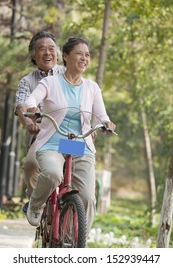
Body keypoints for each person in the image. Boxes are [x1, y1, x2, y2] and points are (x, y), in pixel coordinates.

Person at [25, 37, 116, 234]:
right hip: (53, 142)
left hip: (78, 145)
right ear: (65, 57)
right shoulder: (50, 82)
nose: (84, 58)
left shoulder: (92, 87)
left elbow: (101, 115)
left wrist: (106, 123)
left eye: (87, 55)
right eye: (79, 54)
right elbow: (32, 98)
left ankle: (75, 241)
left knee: (87, 198)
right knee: (52, 174)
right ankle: (35, 204)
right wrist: (32, 107)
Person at [15, 31, 65, 206]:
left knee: (82, 163)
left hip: (67, 137)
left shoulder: (68, 75)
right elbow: (21, 107)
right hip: (43, 137)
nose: (47, 53)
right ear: (33, 56)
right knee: (31, 165)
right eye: (41, 49)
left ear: (58, 54)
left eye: (52, 48)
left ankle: (76, 214)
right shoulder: (27, 82)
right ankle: (36, 201)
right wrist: (29, 123)